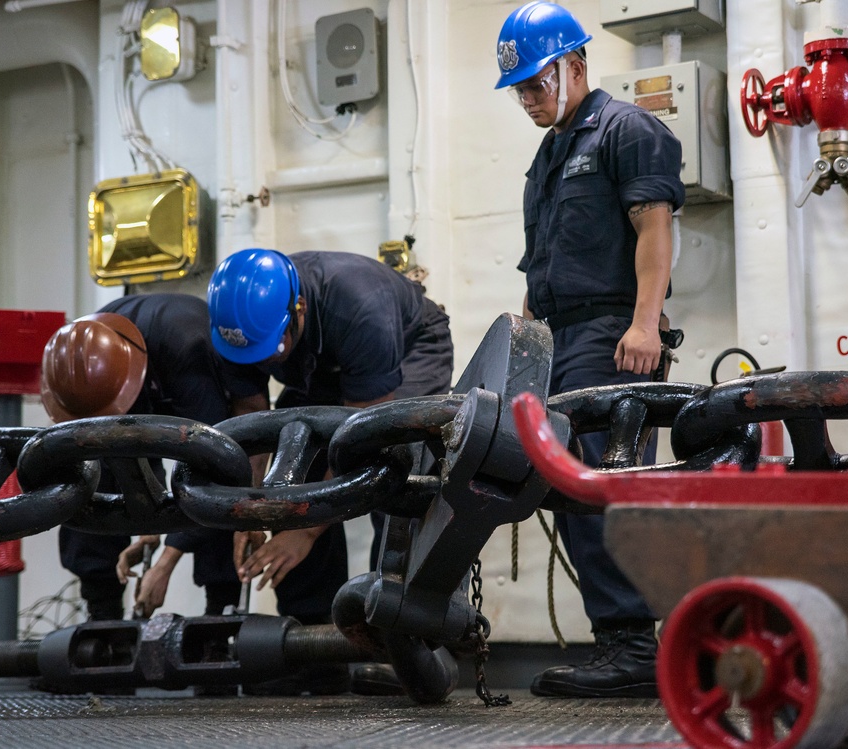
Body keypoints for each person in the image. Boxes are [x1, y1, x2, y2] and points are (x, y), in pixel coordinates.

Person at [494, 2, 685, 698]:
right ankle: (623, 639)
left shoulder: (625, 129)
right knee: (564, 481)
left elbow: (654, 228)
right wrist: (525, 356)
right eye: (518, 90)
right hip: (560, 340)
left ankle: (634, 643)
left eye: (537, 85)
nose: (528, 100)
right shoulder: (546, 160)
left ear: (574, 64)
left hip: (612, 332)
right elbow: (536, 270)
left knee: (600, 481)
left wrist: (645, 322)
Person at [207, 247, 454, 694]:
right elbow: (253, 418)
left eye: (275, 348)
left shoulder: (360, 308)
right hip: (323, 366)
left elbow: (364, 446)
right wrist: (252, 507)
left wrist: (303, 531)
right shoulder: (238, 332)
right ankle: (315, 647)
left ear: (297, 308)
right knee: (295, 473)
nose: (271, 361)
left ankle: (406, 640)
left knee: (400, 471)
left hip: (410, 351)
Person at [40, 297, 262, 624]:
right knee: (90, 476)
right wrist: (146, 526)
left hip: (207, 406)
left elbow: (207, 460)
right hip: (150, 386)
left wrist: (164, 565)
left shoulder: (187, 350)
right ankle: (102, 619)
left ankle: (220, 620)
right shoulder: (76, 359)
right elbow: (131, 438)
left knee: (223, 489)